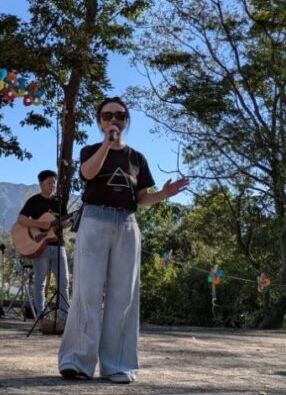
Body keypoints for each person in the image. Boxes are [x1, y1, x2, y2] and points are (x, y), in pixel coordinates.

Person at [58, 97, 189, 384]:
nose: (113, 119)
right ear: (100, 121)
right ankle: (77, 362)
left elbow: (141, 198)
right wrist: (107, 143)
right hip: (94, 219)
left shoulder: (137, 158)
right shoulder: (91, 150)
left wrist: (163, 195)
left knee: (123, 296)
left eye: (119, 115)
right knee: (87, 293)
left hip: (127, 223)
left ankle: (117, 365)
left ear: (127, 120)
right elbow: (87, 173)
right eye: (107, 115)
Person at [16, 169, 70, 322]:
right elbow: (21, 219)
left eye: (54, 182)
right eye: (49, 182)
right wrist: (40, 224)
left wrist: (66, 223)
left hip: (59, 245)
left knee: (64, 283)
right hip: (40, 246)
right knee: (40, 282)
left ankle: (64, 318)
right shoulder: (34, 201)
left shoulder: (59, 202)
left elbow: (65, 222)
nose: (52, 185)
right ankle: (41, 316)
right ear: (41, 183)